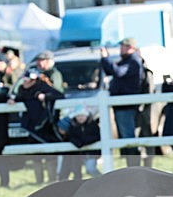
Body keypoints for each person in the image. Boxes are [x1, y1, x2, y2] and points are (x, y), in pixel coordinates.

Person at [9, 68, 65, 183]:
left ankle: (52, 180)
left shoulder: (42, 86)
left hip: (45, 125)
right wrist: (13, 100)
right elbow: (18, 97)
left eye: (27, 80)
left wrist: (45, 96)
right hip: (32, 126)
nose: (24, 82)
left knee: (50, 154)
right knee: (36, 155)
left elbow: (59, 95)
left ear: (33, 80)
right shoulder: (22, 89)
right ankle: (38, 181)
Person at [101, 37, 144, 167]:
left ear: (131, 47)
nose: (121, 49)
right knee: (125, 138)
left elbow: (118, 72)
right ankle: (131, 168)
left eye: (124, 46)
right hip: (122, 106)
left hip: (126, 106)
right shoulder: (127, 60)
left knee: (128, 138)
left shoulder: (133, 61)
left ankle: (134, 168)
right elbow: (111, 71)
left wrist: (105, 58)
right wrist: (105, 59)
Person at [57, 104, 101, 180]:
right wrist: (78, 143)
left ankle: (102, 180)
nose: (80, 117)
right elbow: (71, 138)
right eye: (78, 116)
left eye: (82, 115)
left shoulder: (93, 125)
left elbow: (97, 137)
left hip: (91, 153)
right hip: (77, 155)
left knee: (90, 169)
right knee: (76, 171)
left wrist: (83, 142)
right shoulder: (72, 126)